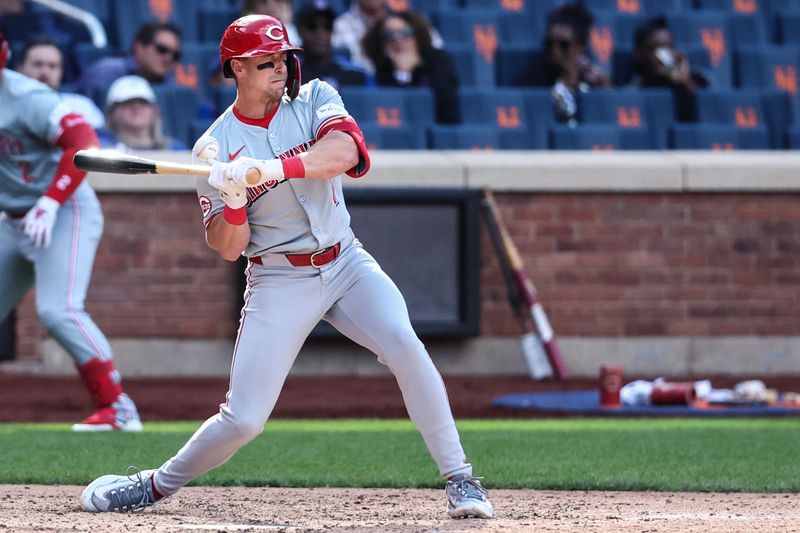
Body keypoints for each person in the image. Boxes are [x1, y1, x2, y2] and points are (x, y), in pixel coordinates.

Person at [79, 15, 493, 520]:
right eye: (267, 62)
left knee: (407, 346)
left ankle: (461, 479)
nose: (281, 69)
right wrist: (232, 199)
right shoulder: (214, 147)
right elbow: (228, 247)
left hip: (346, 262)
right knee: (244, 419)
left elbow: (345, 153)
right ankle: (154, 485)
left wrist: (272, 169)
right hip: (279, 277)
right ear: (238, 68)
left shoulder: (315, 97)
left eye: (283, 59)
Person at [0, 30, 142, 432]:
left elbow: (85, 142)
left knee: (57, 310)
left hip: (63, 208)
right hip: (14, 217)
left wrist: (49, 202)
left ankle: (117, 408)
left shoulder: (29, 97)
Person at [362, 10, 460, 124]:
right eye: (389, 35)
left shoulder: (438, 60)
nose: (398, 40)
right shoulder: (381, 71)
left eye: (406, 33)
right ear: (381, 43)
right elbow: (393, 114)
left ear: (417, 37)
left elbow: (445, 106)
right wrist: (403, 75)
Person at [531, 3, 612, 125]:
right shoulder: (533, 80)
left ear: (581, 47)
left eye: (564, 45)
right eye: (549, 44)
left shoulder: (593, 79)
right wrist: (564, 85)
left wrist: (607, 90)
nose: (555, 51)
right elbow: (539, 117)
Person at [76, 21, 183, 108]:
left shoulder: (168, 84)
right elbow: (87, 114)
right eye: (162, 49)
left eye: (175, 55)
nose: (168, 58)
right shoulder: (108, 72)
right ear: (139, 47)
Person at [631, 16, 710, 122]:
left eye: (669, 48)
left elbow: (710, 111)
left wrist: (684, 82)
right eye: (656, 49)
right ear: (639, 54)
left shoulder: (698, 79)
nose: (664, 56)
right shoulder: (636, 88)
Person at [332, 0, 443, 75]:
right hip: (373, 92)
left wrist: (415, 62)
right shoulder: (340, 25)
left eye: (406, 33)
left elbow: (437, 53)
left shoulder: (411, 20)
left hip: (417, 85)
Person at [15, 36, 104, 128]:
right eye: (38, 64)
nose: (45, 72)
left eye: (52, 66)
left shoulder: (82, 107)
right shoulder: (6, 105)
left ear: (61, 72)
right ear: (20, 69)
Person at [97, 75, 187, 151]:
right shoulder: (100, 148)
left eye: (143, 102)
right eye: (127, 103)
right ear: (111, 112)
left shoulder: (175, 148)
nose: (136, 107)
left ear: (155, 111)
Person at [296, 2, 368, 90]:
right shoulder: (289, 73)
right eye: (312, 27)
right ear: (299, 30)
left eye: (327, 27)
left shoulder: (353, 74)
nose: (321, 34)